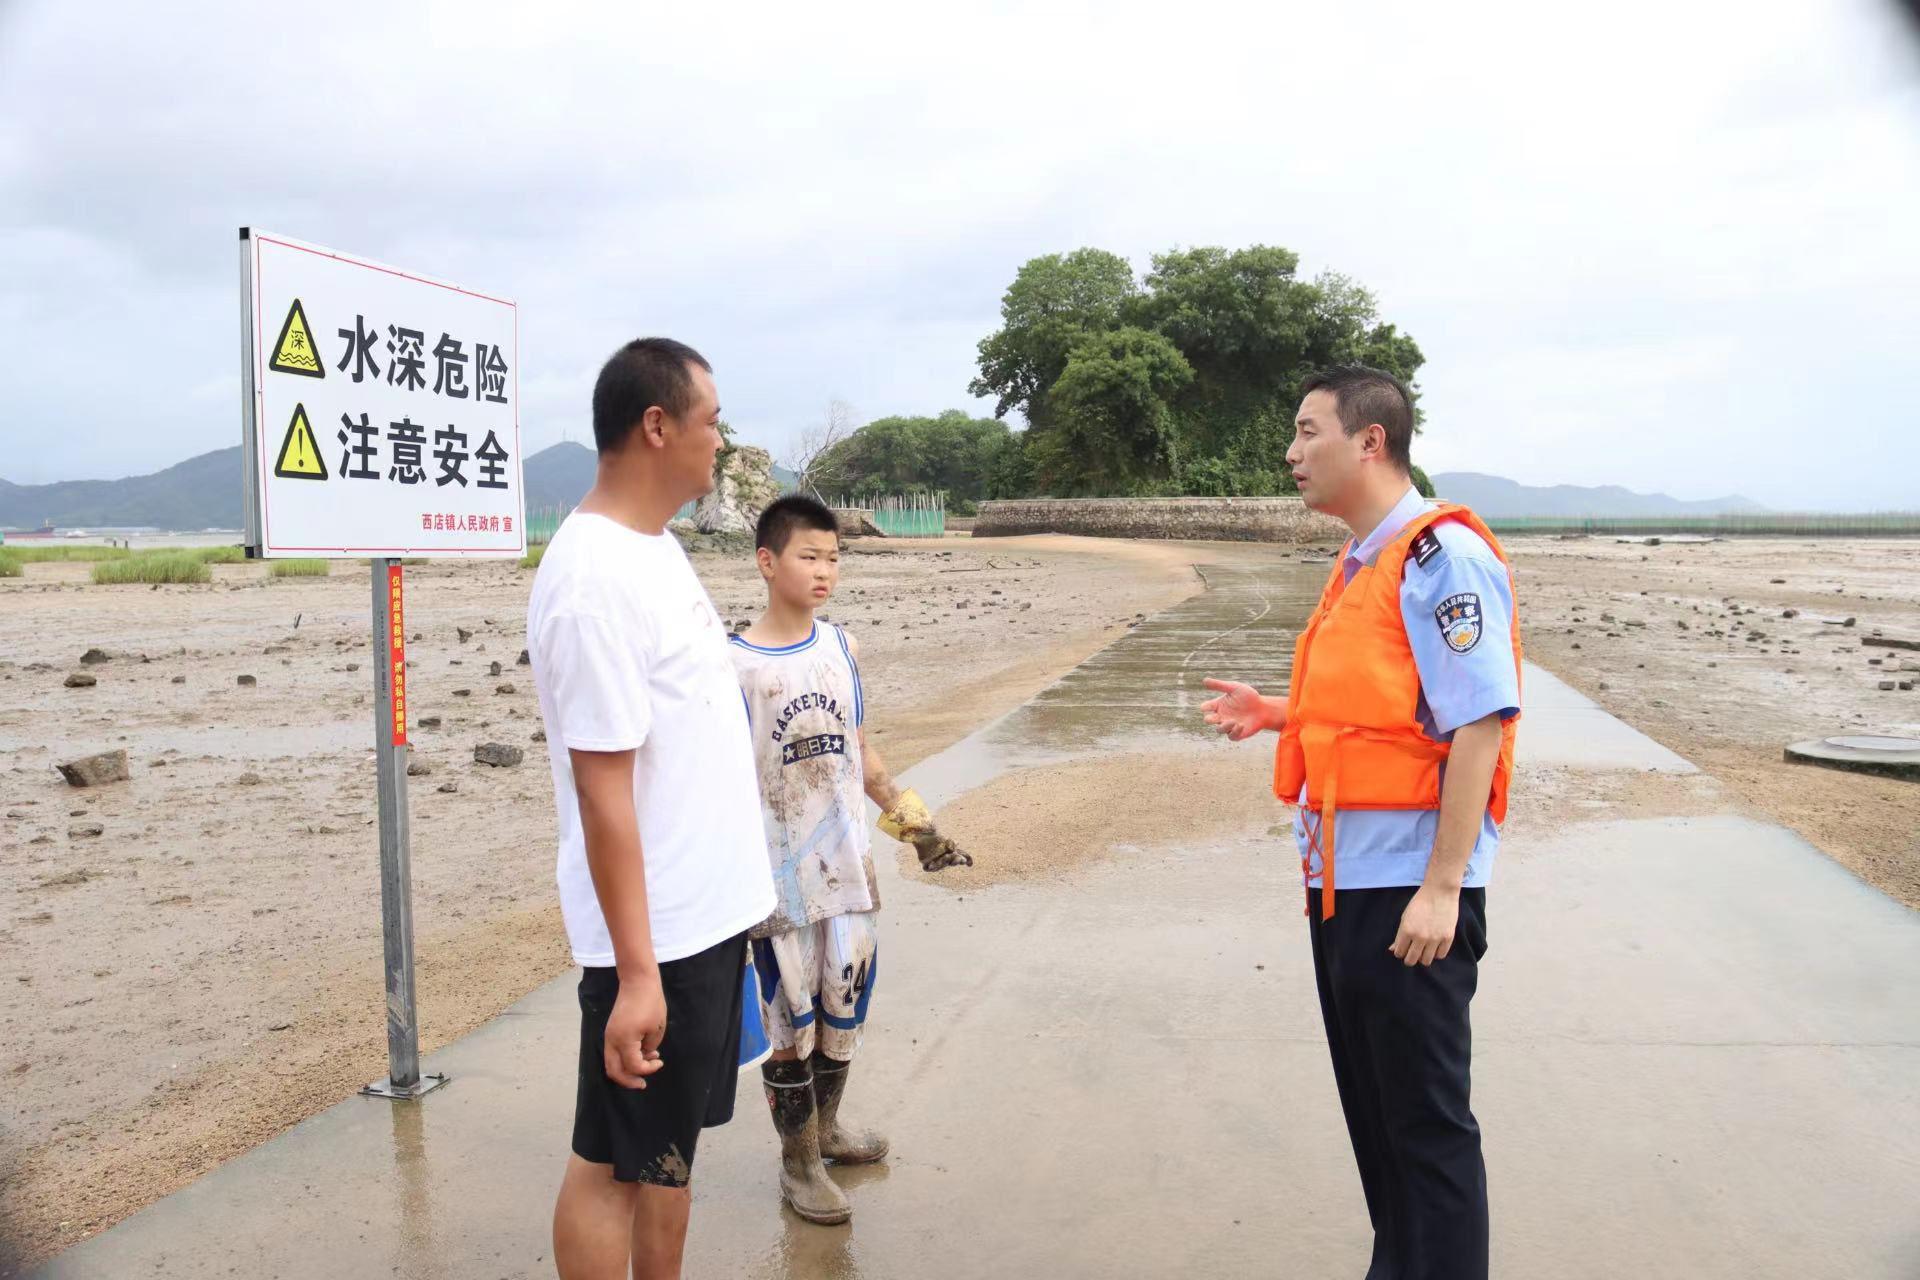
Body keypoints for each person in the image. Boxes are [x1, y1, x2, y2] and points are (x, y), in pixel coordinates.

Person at [1201, 365, 1521, 1280]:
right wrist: (1278, 713)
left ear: (1369, 441)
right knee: (1378, 1122)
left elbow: (1480, 724)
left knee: (1426, 1130)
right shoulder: (1362, 562)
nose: (1291, 452)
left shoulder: (1441, 558)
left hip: (1407, 895)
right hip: (1346, 883)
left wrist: (1443, 889)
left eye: (1308, 432)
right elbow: (1376, 714)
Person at [527, 338, 776, 1280]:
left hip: (706, 925)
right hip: (657, 940)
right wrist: (637, 978)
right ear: (657, 424)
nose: (720, 440)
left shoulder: (655, 547)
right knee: (610, 1169)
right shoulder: (592, 583)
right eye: (711, 421)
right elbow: (603, 793)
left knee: (667, 1159)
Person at [728, 494, 972, 1225]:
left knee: (846, 1007)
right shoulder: (732, 665)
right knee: (789, 1025)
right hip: (777, 884)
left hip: (847, 867)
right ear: (768, 562)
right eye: (809, 555)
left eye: (833, 556)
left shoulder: (841, 647)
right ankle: (797, 1163)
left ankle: (826, 1131)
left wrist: (913, 823)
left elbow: (859, 749)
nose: (825, 569)